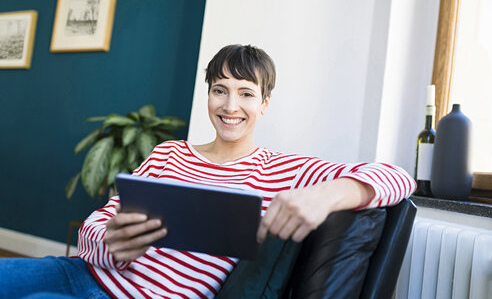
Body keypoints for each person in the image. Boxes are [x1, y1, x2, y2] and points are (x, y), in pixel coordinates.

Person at [0, 44, 416, 299]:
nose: (230, 106)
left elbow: (399, 176)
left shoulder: (284, 171)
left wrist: (327, 194)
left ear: (265, 103)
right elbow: (99, 222)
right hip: (82, 272)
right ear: (209, 95)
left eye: (246, 93)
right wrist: (110, 240)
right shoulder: (168, 154)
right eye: (220, 90)